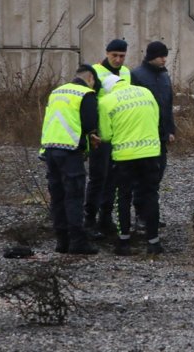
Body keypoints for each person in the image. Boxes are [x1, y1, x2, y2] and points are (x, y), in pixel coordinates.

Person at [98, 76, 163, 255]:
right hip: (150, 153)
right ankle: (153, 242)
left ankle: (124, 241)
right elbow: (156, 118)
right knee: (150, 195)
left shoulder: (106, 101)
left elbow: (105, 135)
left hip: (124, 157)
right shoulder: (146, 92)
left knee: (123, 197)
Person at [40, 64, 101, 255]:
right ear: (90, 78)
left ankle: (62, 241)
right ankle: (78, 242)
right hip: (70, 151)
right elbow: (90, 124)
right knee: (74, 196)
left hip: (50, 148)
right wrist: (93, 138)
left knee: (57, 196)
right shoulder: (86, 93)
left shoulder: (57, 91)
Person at [85, 38, 131, 237]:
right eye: (115, 55)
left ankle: (106, 217)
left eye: (122, 56)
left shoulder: (127, 72)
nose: (118, 60)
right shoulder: (95, 72)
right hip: (101, 135)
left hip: (120, 133)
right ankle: (89, 219)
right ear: (107, 53)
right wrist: (91, 130)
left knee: (114, 177)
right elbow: (88, 102)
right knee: (98, 177)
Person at [131, 41, 175, 230]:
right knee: (143, 177)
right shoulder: (137, 75)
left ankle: (151, 214)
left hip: (161, 135)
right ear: (151, 57)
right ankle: (141, 214)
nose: (164, 59)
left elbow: (168, 105)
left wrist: (171, 130)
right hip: (144, 135)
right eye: (160, 56)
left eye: (165, 56)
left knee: (157, 176)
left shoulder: (164, 76)